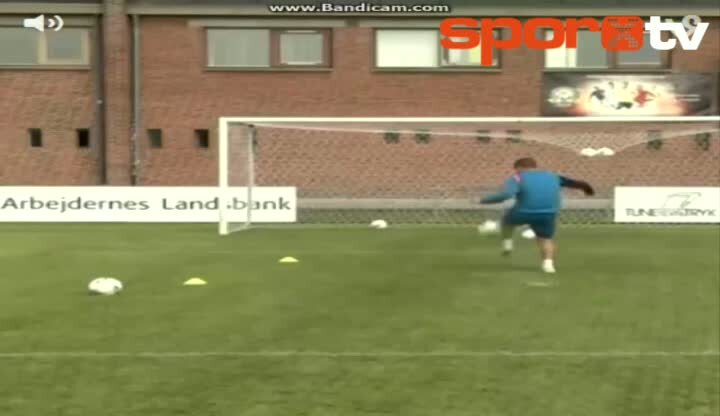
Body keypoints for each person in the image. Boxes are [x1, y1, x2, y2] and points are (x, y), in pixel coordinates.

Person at [480, 158, 595, 273]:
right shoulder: (553, 176)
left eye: (516, 170)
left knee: (507, 222)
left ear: (519, 168)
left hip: (524, 211)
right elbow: (575, 183)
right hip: (549, 212)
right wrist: (587, 189)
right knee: (545, 239)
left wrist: (484, 200)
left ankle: (506, 242)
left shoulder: (517, 178)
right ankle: (548, 265)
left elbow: (506, 194)